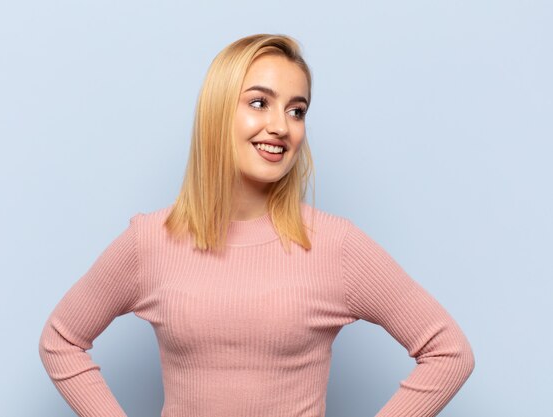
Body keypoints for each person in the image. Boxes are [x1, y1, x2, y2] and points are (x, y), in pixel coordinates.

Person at [38, 33, 475, 417]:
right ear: (217, 111)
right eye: (259, 102)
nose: (281, 126)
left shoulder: (334, 245)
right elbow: (61, 341)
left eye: (297, 110)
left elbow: (449, 353)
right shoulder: (150, 240)